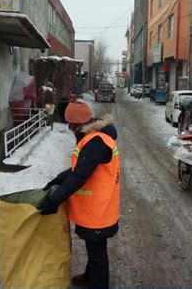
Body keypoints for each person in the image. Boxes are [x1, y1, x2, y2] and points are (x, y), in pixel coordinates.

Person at [39, 101, 120, 288]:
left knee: (97, 252)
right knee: (94, 247)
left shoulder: (96, 143)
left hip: (98, 209)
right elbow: (80, 168)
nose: (68, 127)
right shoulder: (94, 138)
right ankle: (90, 276)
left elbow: (80, 176)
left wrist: (54, 200)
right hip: (96, 208)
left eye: (70, 123)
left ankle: (98, 283)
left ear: (78, 123)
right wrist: (58, 180)